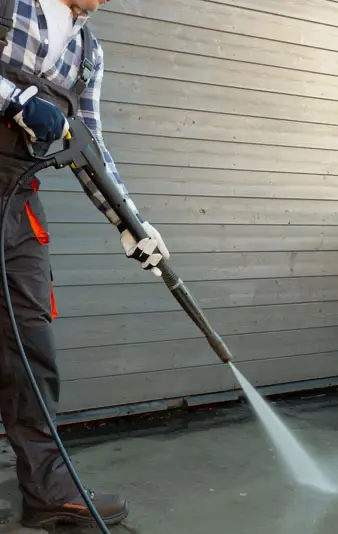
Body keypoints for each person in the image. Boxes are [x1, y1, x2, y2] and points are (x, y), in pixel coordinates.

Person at [0, 0, 170, 528]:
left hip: (15, 198)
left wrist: (131, 222)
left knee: (30, 347)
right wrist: (16, 98)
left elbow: (90, 142)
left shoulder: (89, 51)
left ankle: (49, 490)